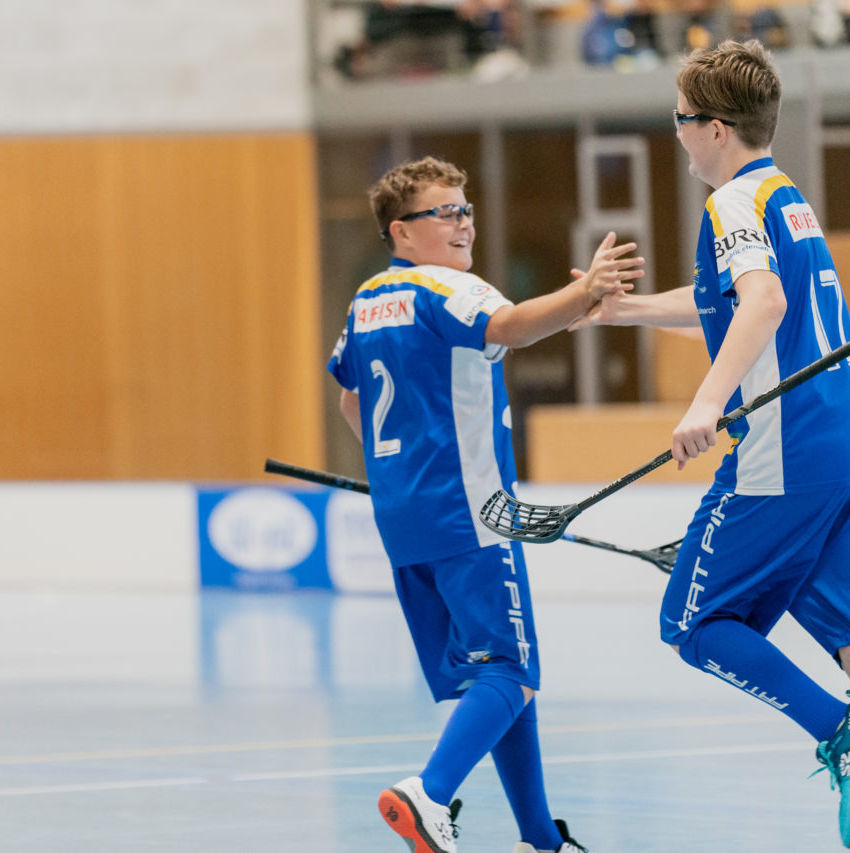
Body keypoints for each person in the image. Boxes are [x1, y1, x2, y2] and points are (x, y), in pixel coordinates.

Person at [572, 40, 850, 852]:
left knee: (694, 622)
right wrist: (627, 310)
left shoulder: (730, 205)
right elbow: (732, 302)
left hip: (788, 450)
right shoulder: (784, 196)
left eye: (680, 118)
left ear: (714, 128)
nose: (676, 132)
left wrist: (706, 402)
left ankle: (840, 731)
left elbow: (763, 301)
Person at [327, 156, 642, 853]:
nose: (463, 223)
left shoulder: (366, 300)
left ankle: (540, 839)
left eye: (465, 209)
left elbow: (352, 400)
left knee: (498, 675)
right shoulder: (448, 286)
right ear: (401, 231)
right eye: (445, 213)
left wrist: (399, 471)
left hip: (405, 520)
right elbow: (512, 326)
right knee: (510, 671)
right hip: (470, 511)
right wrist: (585, 291)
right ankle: (429, 792)